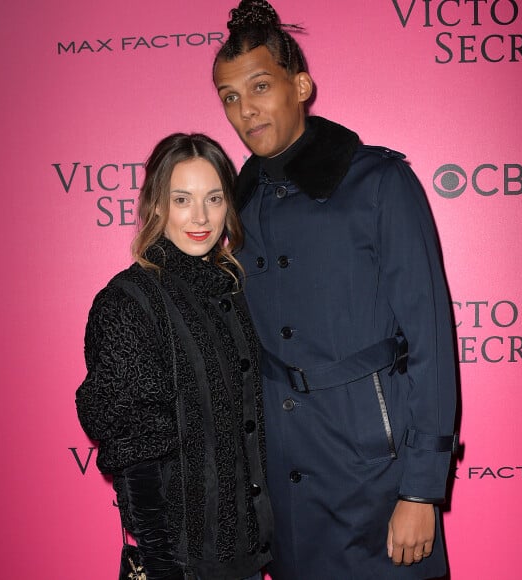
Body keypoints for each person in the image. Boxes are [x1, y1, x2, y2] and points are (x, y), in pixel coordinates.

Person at [212, 1, 458, 579]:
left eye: (260, 86)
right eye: (229, 96)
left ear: (300, 85)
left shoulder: (379, 182)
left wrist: (421, 491)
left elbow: (430, 340)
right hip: (284, 482)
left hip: (377, 475)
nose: (245, 109)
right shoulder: (236, 205)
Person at [76, 133, 273, 580]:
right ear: (156, 205)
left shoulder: (235, 291)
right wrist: (163, 568)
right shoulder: (130, 301)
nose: (200, 217)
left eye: (214, 198)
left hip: (250, 553)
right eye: (181, 199)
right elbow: (135, 454)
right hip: (185, 563)